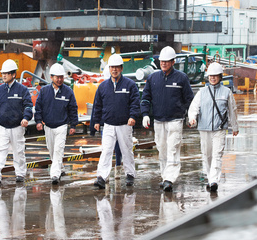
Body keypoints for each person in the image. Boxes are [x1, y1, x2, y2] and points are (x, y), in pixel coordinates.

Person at [141, 46, 194, 192]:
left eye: (166, 61)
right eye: (161, 61)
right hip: (158, 120)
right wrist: (145, 114)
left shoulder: (181, 78)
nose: (163, 64)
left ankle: (169, 179)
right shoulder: (153, 78)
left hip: (175, 120)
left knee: (173, 149)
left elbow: (190, 100)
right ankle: (165, 176)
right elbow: (145, 98)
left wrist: (191, 115)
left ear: (173, 62)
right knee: (162, 149)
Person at [188, 62, 239, 192]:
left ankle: (214, 181)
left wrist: (235, 126)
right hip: (204, 128)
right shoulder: (202, 92)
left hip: (220, 129)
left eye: (215, 76)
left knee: (217, 154)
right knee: (207, 155)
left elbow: (232, 110)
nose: (213, 78)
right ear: (208, 77)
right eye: (211, 76)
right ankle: (210, 178)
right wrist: (192, 118)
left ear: (220, 77)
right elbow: (194, 107)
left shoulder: (226, 92)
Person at [92, 54, 140, 189]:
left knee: (127, 150)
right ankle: (101, 177)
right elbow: (98, 105)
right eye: (112, 67)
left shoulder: (130, 85)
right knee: (106, 150)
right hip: (108, 124)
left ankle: (130, 175)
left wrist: (133, 116)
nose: (114, 70)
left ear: (121, 68)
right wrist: (96, 120)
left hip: (124, 124)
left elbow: (135, 103)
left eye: (117, 67)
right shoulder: (103, 87)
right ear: (109, 68)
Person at [0, 59, 33, 185]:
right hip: (2, 127)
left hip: (17, 126)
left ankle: (20, 174)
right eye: (3, 73)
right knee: (0, 150)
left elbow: (28, 106)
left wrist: (26, 118)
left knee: (18, 151)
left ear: (13, 74)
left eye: (6, 73)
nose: (4, 75)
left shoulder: (22, 90)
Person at [35, 63, 78, 184]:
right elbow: (38, 107)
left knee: (59, 150)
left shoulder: (68, 92)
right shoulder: (44, 91)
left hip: (62, 126)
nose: (59, 79)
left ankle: (54, 175)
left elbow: (73, 109)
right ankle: (60, 168)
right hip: (48, 126)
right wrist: (38, 121)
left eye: (61, 77)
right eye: (57, 77)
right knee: (52, 150)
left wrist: (73, 125)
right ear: (51, 77)